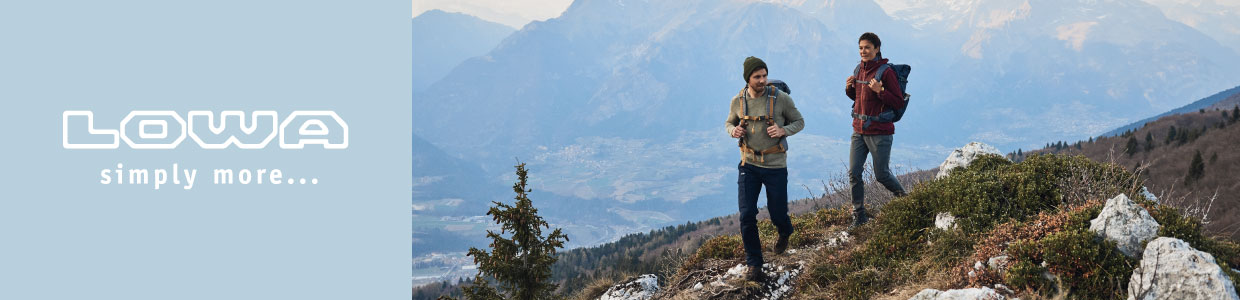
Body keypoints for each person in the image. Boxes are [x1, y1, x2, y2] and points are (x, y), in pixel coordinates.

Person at [725, 56, 805, 282]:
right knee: (747, 214)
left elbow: (799, 121)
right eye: (757, 77)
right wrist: (733, 131)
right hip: (748, 164)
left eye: (764, 75)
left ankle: (785, 230)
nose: (762, 80)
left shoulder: (781, 99)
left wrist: (782, 131)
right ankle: (754, 263)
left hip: (775, 165)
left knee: (777, 212)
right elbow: (729, 122)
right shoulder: (738, 101)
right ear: (747, 79)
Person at [845, 32, 908, 229]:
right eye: (861, 48)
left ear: (877, 49)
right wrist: (849, 89)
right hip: (859, 130)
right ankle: (859, 215)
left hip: (880, 131)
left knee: (881, 175)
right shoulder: (859, 70)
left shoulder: (885, 72)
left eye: (867, 48)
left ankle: (906, 201)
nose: (863, 51)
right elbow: (859, 99)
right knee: (854, 173)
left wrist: (880, 91)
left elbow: (898, 102)